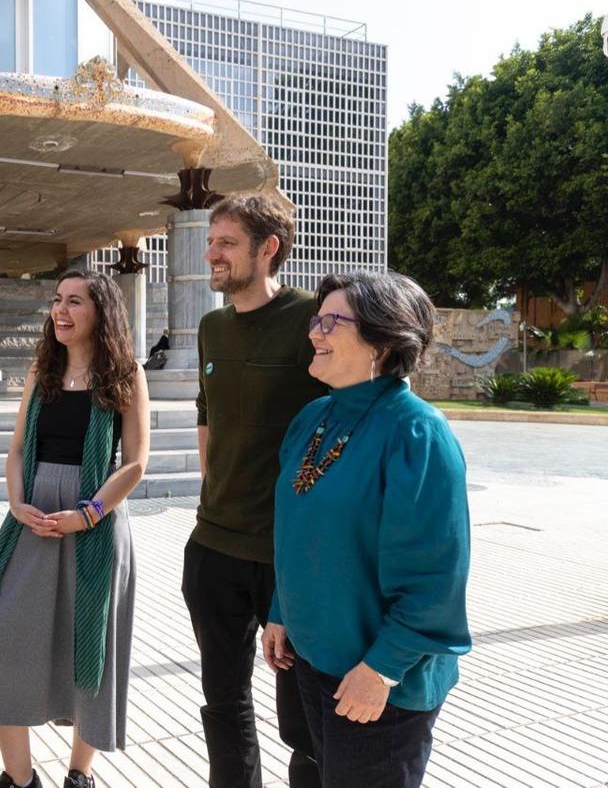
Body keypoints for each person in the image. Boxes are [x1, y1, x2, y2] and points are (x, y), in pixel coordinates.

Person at [262, 272, 471, 788]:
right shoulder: (311, 418)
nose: (315, 331)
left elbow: (436, 582)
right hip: (313, 663)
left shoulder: (416, 433)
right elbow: (298, 533)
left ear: (382, 339)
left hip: (381, 684)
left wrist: (381, 669)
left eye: (332, 322)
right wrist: (280, 612)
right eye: (317, 318)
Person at [0, 269, 150, 788]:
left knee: (92, 648)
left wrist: (87, 514)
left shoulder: (125, 373)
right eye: (57, 301)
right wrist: (17, 504)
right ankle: (19, 781)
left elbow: (135, 463)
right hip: (35, 519)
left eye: (75, 302)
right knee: (1, 643)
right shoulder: (42, 371)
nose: (61, 311)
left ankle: (78, 776)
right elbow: (18, 449)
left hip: (97, 523)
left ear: (100, 312)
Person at [183, 194, 325, 788]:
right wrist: (215, 490)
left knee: (304, 721)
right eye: (212, 240)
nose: (211, 253)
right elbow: (206, 414)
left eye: (227, 243)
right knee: (223, 704)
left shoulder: (312, 319)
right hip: (215, 548)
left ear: (268, 249)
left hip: (286, 557)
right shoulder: (212, 326)